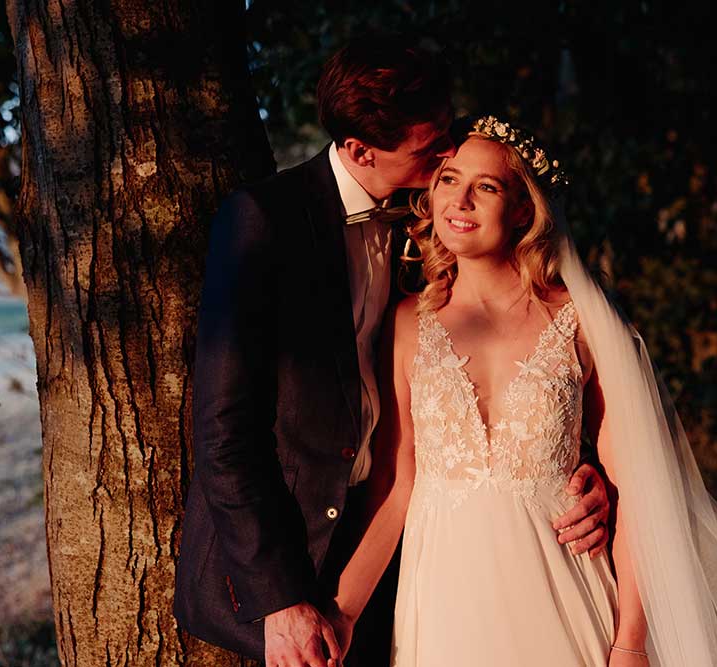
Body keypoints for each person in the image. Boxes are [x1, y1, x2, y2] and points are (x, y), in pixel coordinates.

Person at [172, 39, 612, 667]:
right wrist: (283, 600)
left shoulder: (437, 213)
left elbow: (524, 371)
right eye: (430, 149)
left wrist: (580, 468)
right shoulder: (264, 223)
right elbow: (222, 433)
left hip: (416, 547)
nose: (446, 158)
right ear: (360, 151)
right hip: (291, 556)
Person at [323, 117, 717, 667]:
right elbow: (394, 483)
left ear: (524, 210)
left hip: (567, 590)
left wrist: (630, 641)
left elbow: (641, 493)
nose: (461, 200)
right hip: (445, 600)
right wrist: (342, 612)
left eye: (486, 186)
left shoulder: (580, 320)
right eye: (448, 179)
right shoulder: (409, 322)